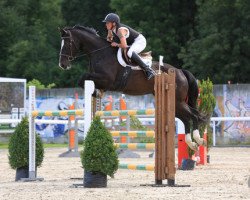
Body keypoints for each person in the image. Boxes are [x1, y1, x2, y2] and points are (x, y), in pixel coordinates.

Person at [102, 13, 155, 80]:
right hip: (131, 43)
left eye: (107, 23)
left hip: (140, 41)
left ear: (114, 23)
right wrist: (109, 37)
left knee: (130, 52)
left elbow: (124, 46)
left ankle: (148, 70)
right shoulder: (111, 30)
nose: (106, 24)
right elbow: (109, 40)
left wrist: (116, 44)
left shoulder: (120, 30)